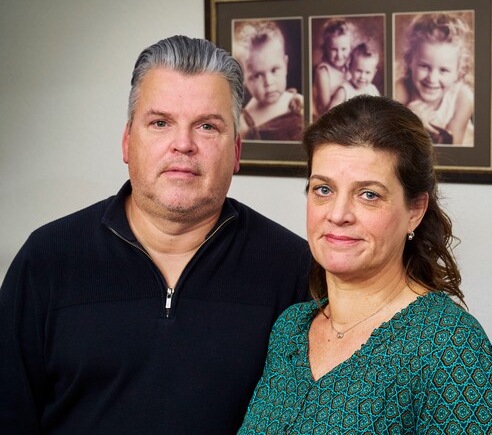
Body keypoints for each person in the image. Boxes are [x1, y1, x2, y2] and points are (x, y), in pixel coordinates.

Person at [0, 35, 311, 434]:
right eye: (160, 123)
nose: (183, 144)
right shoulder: (47, 258)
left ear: (236, 151)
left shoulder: (292, 268)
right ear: (128, 141)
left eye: (207, 126)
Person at [238, 95, 492, 434]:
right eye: (323, 189)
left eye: (368, 194)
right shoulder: (290, 330)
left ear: (415, 210)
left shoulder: (451, 348)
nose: (338, 214)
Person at [394, 13, 475, 146]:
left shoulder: (463, 99)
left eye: (444, 70)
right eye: (424, 66)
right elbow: (391, 145)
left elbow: (452, 148)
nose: (432, 78)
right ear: (410, 61)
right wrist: (407, 120)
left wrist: (418, 126)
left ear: (458, 72)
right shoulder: (400, 90)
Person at [233, 20, 304, 141]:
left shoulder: (298, 102)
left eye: (274, 70)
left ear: (285, 65)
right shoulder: (244, 124)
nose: (269, 82)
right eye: (257, 75)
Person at [312, 18, 354, 119]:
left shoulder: (350, 69)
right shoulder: (323, 72)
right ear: (325, 49)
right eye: (334, 49)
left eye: (344, 49)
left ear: (350, 48)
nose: (339, 55)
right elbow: (326, 110)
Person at [329, 42, 381, 109]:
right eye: (359, 71)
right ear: (350, 68)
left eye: (367, 72)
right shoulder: (344, 91)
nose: (362, 76)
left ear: (374, 73)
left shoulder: (373, 90)